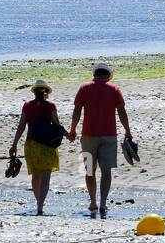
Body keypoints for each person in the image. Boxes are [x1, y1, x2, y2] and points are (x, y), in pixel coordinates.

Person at [67, 62, 132, 218]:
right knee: (106, 171)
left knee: (89, 170)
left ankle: (93, 202)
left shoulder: (84, 88)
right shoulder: (114, 89)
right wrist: (127, 131)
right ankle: (103, 203)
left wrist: (73, 129)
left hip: (88, 136)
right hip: (109, 136)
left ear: (94, 74)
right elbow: (121, 111)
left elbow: (77, 111)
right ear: (108, 75)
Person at [9, 80, 64, 215]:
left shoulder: (27, 106)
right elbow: (57, 125)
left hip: (32, 144)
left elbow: (21, 126)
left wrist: (14, 144)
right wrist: (68, 135)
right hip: (47, 145)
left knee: (35, 176)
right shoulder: (51, 106)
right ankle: (40, 206)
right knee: (46, 177)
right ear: (46, 93)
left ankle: (39, 203)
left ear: (34, 92)